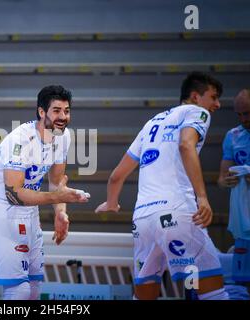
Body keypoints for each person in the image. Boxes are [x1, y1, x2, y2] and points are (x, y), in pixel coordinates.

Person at [95, 72, 228, 300]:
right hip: (177, 210)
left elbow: (116, 176)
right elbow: (186, 145)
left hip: (143, 219)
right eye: (213, 97)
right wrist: (203, 197)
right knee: (214, 292)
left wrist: (111, 202)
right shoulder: (197, 112)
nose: (218, 104)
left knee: (144, 296)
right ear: (196, 97)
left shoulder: (151, 123)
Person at [0, 85, 89, 300]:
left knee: (33, 289)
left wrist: (60, 213)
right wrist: (57, 197)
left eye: (66, 111)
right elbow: (14, 194)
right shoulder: (18, 140)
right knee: (18, 290)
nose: (63, 117)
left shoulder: (64, 136)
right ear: (42, 112)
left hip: (30, 213)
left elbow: (57, 181)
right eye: (56, 110)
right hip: (3, 214)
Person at [217, 88, 250, 299]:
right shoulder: (233, 136)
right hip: (247, 222)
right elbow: (221, 178)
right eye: (238, 114)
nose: (243, 119)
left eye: (246, 113)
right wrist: (225, 181)